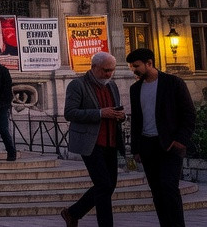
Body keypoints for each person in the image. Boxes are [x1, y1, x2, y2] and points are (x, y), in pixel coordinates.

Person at [126, 47, 195, 227]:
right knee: (156, 191)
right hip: (148, 145)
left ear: (149, 63)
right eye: (132, 66)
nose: (134, 69)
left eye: (137, 66)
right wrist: (136, 149)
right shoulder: (135, 89)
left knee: (169, 188)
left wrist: (180, 140)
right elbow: (136, 120)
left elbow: (188, 114)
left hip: (170, 145)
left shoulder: (173, 83)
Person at [62, 51, 124, 227]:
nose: (109, 74)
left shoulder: (112, 86)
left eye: (112, 70)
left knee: (109, 186)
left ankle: (72, 212)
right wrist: (99, 113)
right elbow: (70, 113)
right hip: (91, 143)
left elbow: (114, 110)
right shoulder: (77, 85)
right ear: (94, 67)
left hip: (111, 141)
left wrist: (120, 116)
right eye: (105, 70)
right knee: (103, 185)